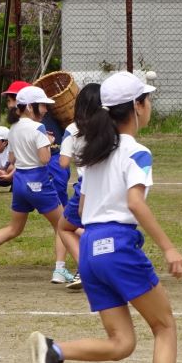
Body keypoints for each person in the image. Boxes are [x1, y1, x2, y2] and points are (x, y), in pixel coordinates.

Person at [27, 71, 182, 363]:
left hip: (89, 251)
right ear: (136, 107)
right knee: (165, 326)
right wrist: (169, 248)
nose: (149, 107)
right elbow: (136, 203)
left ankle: (55, 351)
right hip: (117, 247)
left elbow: (82, 211)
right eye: (147, 101)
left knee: (122, 343)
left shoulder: (94, 152)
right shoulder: (137, 151)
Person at [0, 86, 76, 284]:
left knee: (14, 228)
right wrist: (48, 143)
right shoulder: (38, 128)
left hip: (20, 182)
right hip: (38, 181)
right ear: (30, 107)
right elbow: (44, 159)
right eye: (42, 106)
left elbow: (12, 158)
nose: (45, 110)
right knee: (62, 225)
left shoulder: (12, 129)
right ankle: (60, 270)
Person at [57, 83, 102, 292]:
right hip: (108, 183)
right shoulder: (110, 124)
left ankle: (84, 269)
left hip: (86, 185)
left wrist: (57, 147)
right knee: (99, 226)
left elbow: (64, 163)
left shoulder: (73, 129)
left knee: (65, 227)